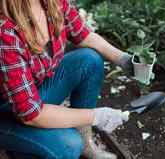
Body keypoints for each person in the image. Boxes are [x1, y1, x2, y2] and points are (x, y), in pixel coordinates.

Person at [0, 0, 133, 159]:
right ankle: (22, 149)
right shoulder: (5, 31)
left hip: (33, 94)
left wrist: (126, 61)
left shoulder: (52, 2)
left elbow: (83, 34)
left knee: (90, 61)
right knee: (68, 145)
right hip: (7, 112)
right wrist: (96, 116)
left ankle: (85, 143)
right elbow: (30, 114)